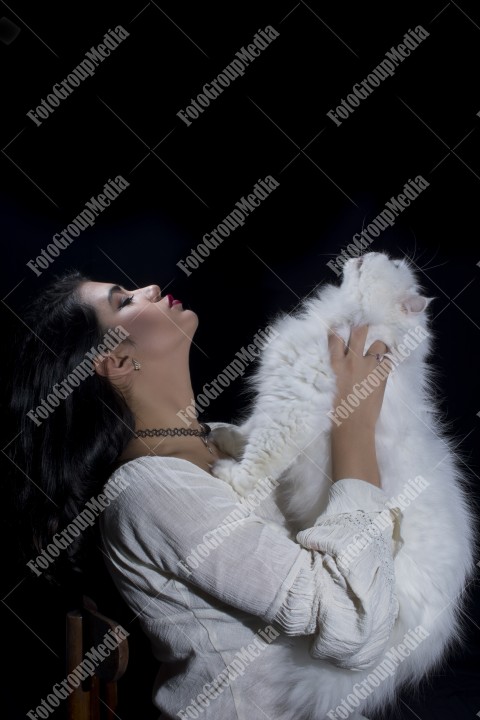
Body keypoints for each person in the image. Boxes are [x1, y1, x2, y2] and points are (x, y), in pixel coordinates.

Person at [9, 271, 402, 720]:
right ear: (116, 362)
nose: (150, 289)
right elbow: (358, 628)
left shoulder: (223, 443)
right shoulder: (150, 491)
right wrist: (354, 424)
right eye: (124, 301)